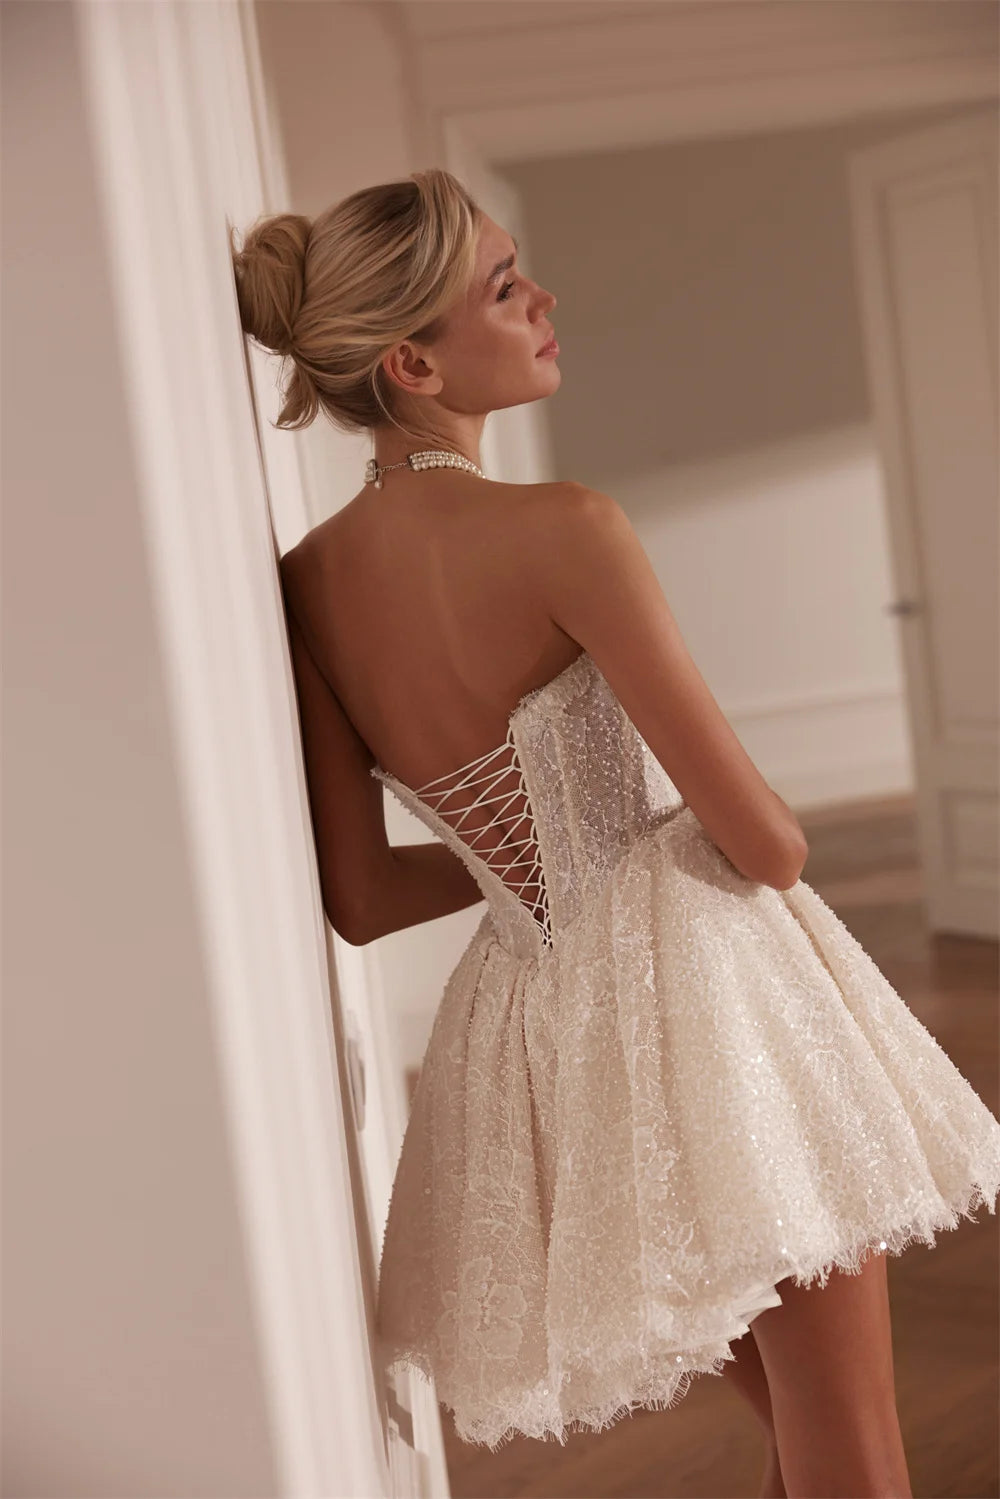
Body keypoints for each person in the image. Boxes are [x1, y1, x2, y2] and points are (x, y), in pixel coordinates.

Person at [231, 168, 1000, 1496]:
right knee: (853, 1446)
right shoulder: (564, 526)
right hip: (710, 997)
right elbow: (768, 845)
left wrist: (529, 859)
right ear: (414, 361)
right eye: (504, 287)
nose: (544, 300)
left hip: (544, 1040)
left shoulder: (309, 587)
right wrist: (611, 836)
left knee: (803, 1433)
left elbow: (359, 897)